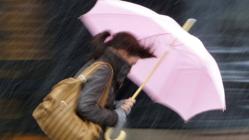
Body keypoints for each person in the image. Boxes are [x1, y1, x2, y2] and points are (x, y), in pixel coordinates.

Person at [74, 31, 154, 140]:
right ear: (124, 52)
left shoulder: (101, 64)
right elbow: (85, 107)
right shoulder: (104, 70)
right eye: (132, 64)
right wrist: (117, 117)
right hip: (82, 133)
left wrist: (118, 106)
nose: (130, 69)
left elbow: (95, 100)